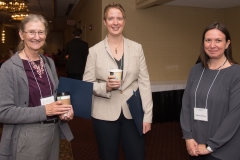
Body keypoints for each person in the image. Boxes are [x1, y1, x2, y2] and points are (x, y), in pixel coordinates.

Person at [83, 3, 153, 160]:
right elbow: (87, 84)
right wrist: (105, 87)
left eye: (119, 18)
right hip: (104, 113)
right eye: (111, 18)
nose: (115, 22)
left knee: (137, 155)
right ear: (104, 22)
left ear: (124, 21)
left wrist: (147, 115)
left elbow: (145, 83)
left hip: (133, 112)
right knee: (108, 156)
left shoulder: (137, 48)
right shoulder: (94, 51)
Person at [0, 14, 74, 160]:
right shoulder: (9, 68)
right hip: (27, 135)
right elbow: (4, 112)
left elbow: (56, 95)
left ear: (45, 35)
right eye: (31, 32)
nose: (36, 36)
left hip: (52, 132)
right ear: (21, 34)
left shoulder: (48, 62)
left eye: (40, 32)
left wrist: (64, 109)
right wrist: (44, 110)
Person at [180, 22, 240, 160]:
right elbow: (186, 106)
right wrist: (188, 137)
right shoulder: (195, 70)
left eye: (218, 40)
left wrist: (210, 146)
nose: (212, 45)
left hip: (224, 149)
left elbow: (235, 116)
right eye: (208, 40)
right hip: (195, 145)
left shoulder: (236, 73)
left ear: (227, 44)